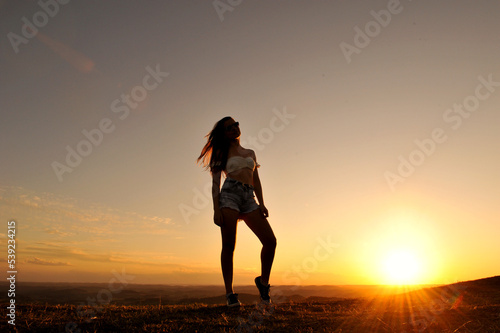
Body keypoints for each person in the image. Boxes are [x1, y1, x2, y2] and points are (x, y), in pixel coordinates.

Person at [197, 116, 277, 307]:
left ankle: (263, 283)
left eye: (236, 124)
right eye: (229, 127)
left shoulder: (250, 153)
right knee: (229, 246)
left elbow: (256, 180)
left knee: (270, 241)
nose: (234, 128)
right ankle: (230, 293)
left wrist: (262, 203)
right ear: (223, 133)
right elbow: (215, 184)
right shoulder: (220, 152)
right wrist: (216, 209)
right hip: (229, 196)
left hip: (249, 198)